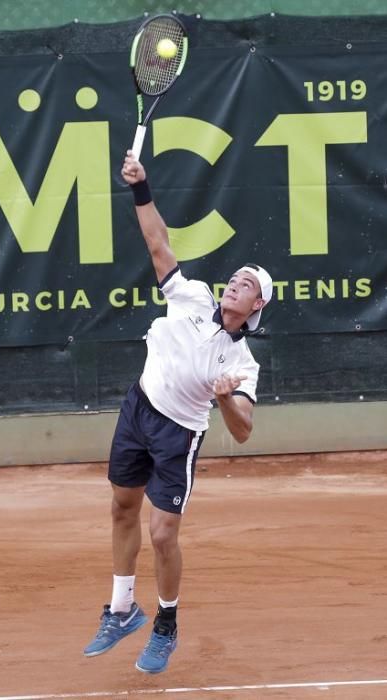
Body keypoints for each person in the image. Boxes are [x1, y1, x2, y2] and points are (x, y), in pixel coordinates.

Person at [83, 151, 273, 674]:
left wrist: (221, 397)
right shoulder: (190, 296)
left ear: (256, 306)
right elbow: (157, 242)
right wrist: (141, 188)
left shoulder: (242, 363)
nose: (235, 282)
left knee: (162, 534)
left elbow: (243, 430)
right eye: (235, 277)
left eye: (248, 285)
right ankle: (121, 609)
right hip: (138, 408)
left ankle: (166, 622)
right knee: (122, 507)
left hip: (178, 435)